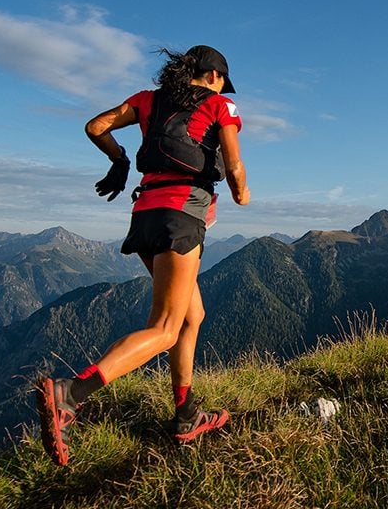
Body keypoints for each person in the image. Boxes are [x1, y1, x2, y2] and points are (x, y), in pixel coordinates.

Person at [33, 45, 250, 465]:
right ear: (212, 75)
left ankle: (186, 414)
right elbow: (235, 166)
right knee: (166, 327)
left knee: (192, 315)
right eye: (222, 79)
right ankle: (69, 395)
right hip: (181, 216)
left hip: (144, 214)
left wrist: (119, 160)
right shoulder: (222, 105)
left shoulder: (147, 100)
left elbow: (96, 125)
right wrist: (241, 193)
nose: (223, 86)